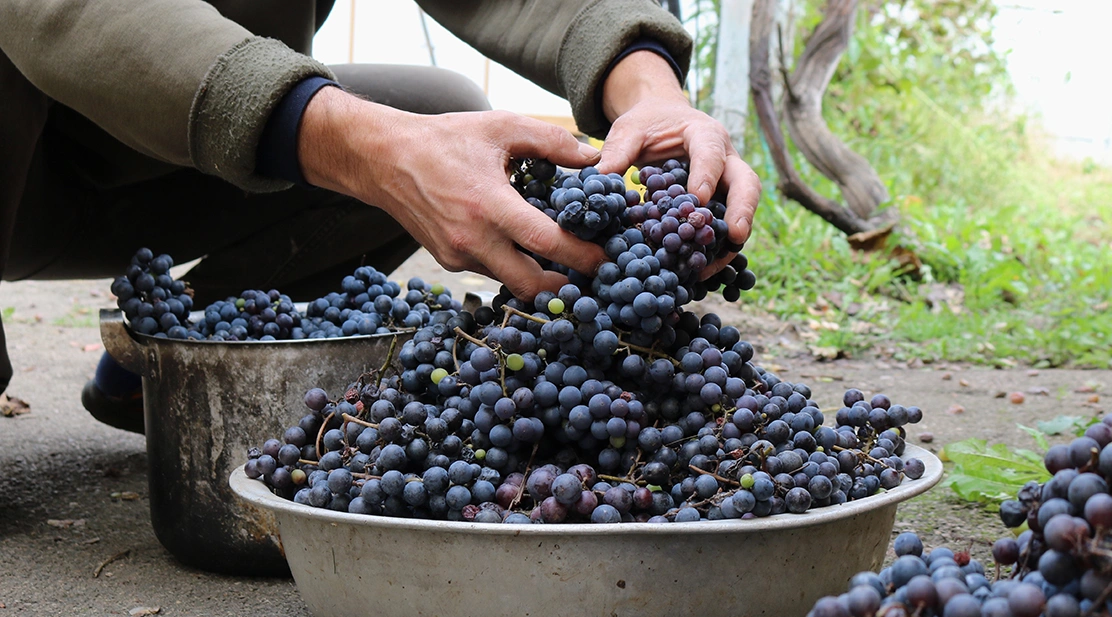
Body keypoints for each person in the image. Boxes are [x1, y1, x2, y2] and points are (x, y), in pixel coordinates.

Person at [0, 0, 760, 432]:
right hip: (21, 163)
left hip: (175, 163)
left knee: (434, 113)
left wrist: (648, 90)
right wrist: (368, 148)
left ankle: (178, 354)